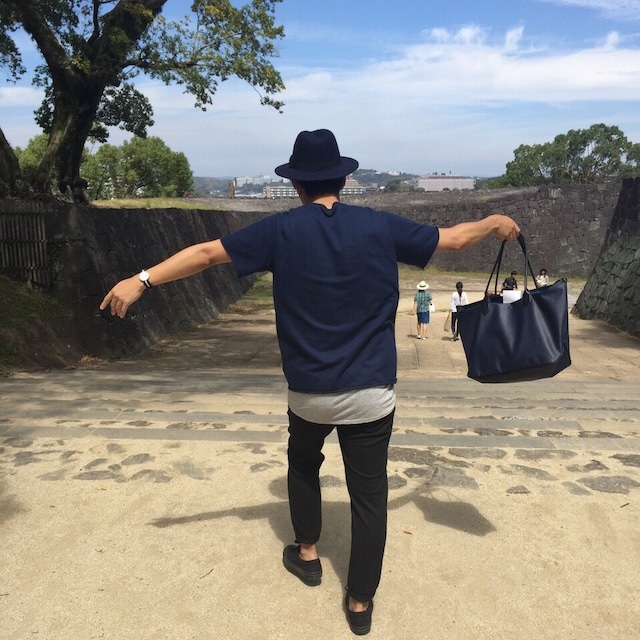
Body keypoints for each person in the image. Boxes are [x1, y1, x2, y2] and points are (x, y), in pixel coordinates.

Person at [100, 129, 520, 636]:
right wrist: (493, 222)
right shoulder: (379, 226)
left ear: (296, 184)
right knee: (370, 496)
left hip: (308, 394)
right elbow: (452, 239)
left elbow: (207, 254)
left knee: (303, 465)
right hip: (370, 394)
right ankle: (360, 602)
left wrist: (141, 279)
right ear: (343, 179)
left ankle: (307, 553)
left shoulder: (280, 230)